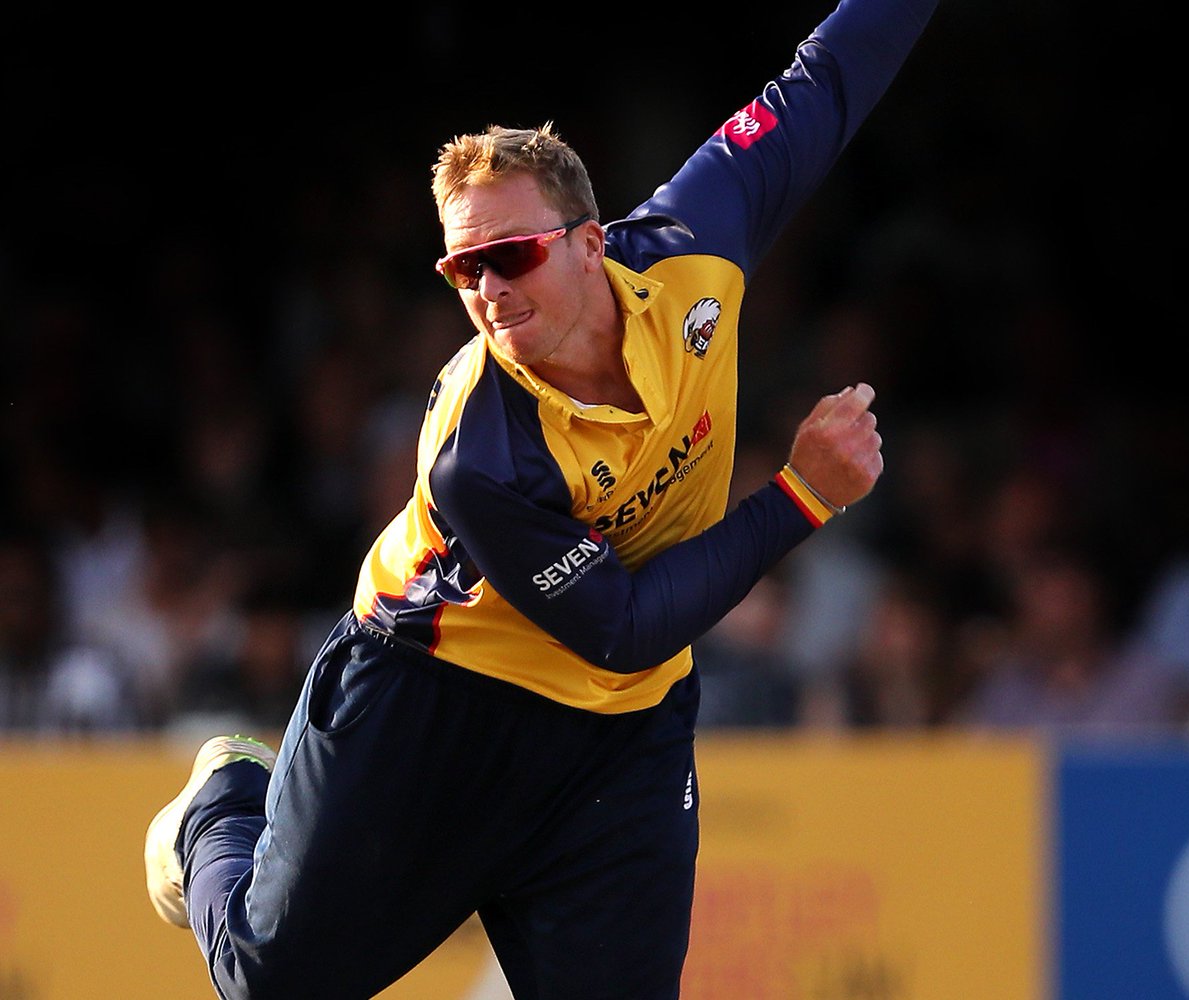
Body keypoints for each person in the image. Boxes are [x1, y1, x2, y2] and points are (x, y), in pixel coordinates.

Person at [144, 1, 939, 996]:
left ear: (590, 242)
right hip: (434, 701)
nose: (487, 289)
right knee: (271, 981)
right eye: (461, 267)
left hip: (617, 736)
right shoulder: (479, 450)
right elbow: (621, 626)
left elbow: (823, 83)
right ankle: (221, 801)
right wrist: (802, 497)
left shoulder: (697, 240)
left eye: (508, 255)